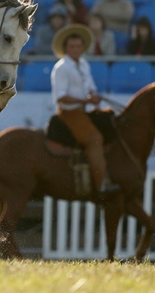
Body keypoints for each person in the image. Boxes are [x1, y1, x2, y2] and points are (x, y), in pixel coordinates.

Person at [50, 24, 117, 195]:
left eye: (78, 46)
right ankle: (101, 182)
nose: (75, 49)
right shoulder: (62, 67)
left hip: (83, 110)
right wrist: (86, 100)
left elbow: (90, 87)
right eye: (72, 46)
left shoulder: (84, 64)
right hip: (69, 113)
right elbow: (60, 97)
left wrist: (94, 95)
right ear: (65, 48)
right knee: (94, 139)